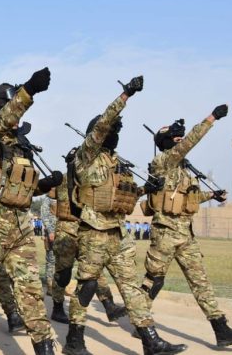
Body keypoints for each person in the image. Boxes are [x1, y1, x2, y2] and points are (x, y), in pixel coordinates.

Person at [63, 76, 186, 355]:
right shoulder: (87, 156)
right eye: (112, 129)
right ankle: (74, 341)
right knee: (87, 287)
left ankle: (150, 340)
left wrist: (145, 189)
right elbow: (104, 124)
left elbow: (121, 196)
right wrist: (125, 96)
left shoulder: (117, 163)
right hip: (94, 232)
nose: (115, 132)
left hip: (118, 233)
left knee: (131, 287)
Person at [0, 70, 60, 355]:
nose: (17, 119)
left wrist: (43, 185)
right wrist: (27, 91)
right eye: (12, 108)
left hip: (20, 228)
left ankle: (44, 348)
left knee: (31, 291)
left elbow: (21, 190)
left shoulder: (19, 149)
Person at [142, 109, 232, 347]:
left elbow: (188, 199)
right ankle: (140, 323)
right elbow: (191, 141)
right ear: (166, 143)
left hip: (185, 234)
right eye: (175, 139)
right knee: (154, 280)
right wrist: (211, 118)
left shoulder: (182, 169)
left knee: (200, 282)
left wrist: (212, 195)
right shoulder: (163, 162)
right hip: (165, 233)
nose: (180, 142)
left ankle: (222, 330)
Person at [47, 178, 126, 325]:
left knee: (93, 270)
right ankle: (57, 307)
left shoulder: (95, 179)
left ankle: (109, 305)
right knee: (63, 273)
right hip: (66, 229)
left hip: (86, 229)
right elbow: (50, 197)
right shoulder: (64, 179)